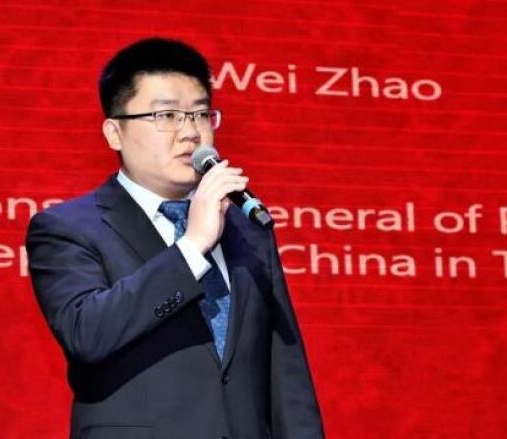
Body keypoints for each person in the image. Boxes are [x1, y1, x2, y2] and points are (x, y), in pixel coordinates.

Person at [25, 37, 324, 439]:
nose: (190, 133)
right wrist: (191, 247)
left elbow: (285, 371)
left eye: (201, 114)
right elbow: (87, 334)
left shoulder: (246, 228)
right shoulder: (67, 228)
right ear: (114, 132)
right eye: (167, 115)